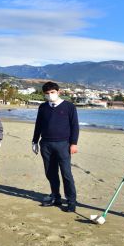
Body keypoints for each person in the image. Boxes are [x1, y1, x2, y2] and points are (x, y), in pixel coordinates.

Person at [32, 81, 79, 212]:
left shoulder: (69, 107)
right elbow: (38, 125)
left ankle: (71, 201)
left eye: (52, 92)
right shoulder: (43, 107)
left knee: (66, 173)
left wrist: (74, 143)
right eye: (47, 93)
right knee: (50, 172)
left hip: (63, 144)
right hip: (46, 143)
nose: (50, 95)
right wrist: (35, 141)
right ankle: (56, 196)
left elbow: (74, 125)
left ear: (58, 92)